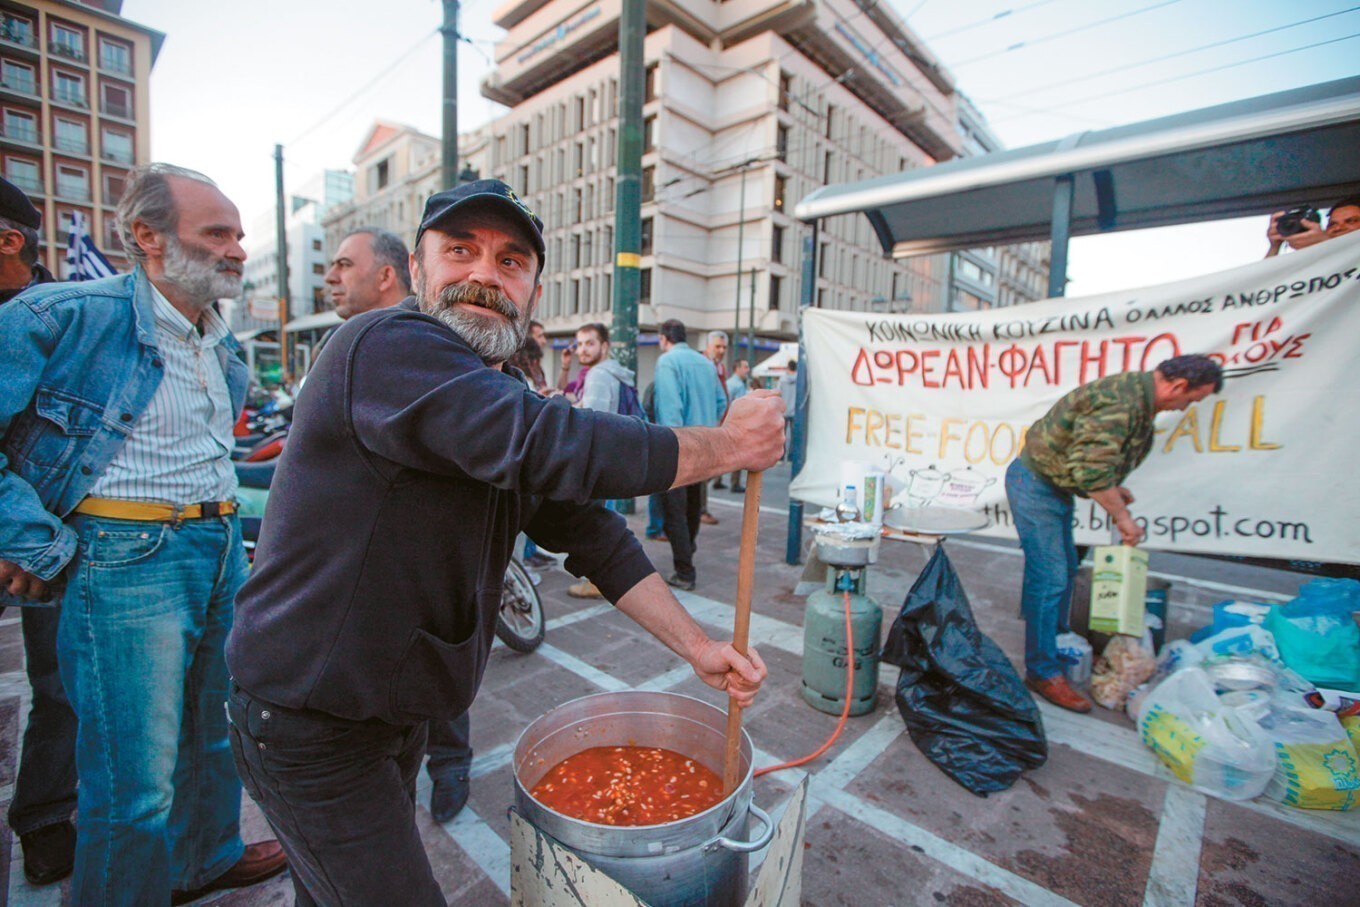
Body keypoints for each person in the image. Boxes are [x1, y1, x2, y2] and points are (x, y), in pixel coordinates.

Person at [224, 179, 780, 905]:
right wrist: (728, 445)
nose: (486, 273)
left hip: (390, 717)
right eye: (461, 250)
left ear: (533, 294)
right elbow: (550, 445)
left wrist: (699, 648)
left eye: (511, 261)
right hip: (307, 723)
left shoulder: (497, 387)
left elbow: (591, 534)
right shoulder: (383, 344)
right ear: (418, 273)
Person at [0, 163, 285, 905]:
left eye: (240, 234)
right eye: (217, 232)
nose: (238, 249)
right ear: (146, 237)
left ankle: (205, 859)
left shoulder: (221, 343)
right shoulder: (61, 314)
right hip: (125, 563)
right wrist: (29, 537)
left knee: (212, 736)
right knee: (133, 785)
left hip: (216, 549)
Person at [325, 225, 477, 824]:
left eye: (343, 264)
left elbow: (541, 449)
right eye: (459, 254)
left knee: (440, 653)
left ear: (390, 274)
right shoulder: (365, 342)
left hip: (428, 584)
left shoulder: (410, 345)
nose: (331, 277)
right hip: (358, 618)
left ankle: (452, 764)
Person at [1006, 355, 1223, 713]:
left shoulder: (1138, 397)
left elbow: (1094, 457)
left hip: (1052, 484)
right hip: (1035, 484)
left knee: (1059, 571)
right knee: (1052, 576)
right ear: (1178, 386)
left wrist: (1114, 487)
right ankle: (1042, 671)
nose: (1187, 407)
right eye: (1191, 400)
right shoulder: (1122, 402)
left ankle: (1050, 638)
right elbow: (1090, 471)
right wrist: (1123, 518)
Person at [0, 176, 77, 887]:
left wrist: (29, 541)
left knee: (59, 686)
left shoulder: (55, 315)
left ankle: (49, 816)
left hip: (40, 541)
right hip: (30, 538)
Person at [653, 319, 730, 592]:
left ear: (664, 339)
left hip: (680, 446)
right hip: (706, 445)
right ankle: (689, 550)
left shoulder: (668, 362)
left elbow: (671, 411)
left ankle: (684, 570)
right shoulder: (706, 364)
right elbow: (723, 403)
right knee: (694, 504)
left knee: (674, 510)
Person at [698, 331, 730, 524]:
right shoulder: (703, 365)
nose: (721, 351)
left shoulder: (720, 368)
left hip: (716, 425)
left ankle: (699, 506)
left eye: (724, 347)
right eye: (717, 346)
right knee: (705, 470)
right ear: (708, 346)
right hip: (704, 426)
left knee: (713, 469)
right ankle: (701, 508)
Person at [1264, 197, 1360, 257]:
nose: (1339, 228)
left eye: (1351, 221)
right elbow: (1264, 285)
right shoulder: (1316, 257)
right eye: (1332, 224)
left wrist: (1325, 245)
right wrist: (1274, 247)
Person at [714, 357, 752, 494]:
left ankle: (716, 480)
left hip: (727, 423)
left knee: (722, 453)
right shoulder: (737, 385)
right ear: (737, 368)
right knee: (738, 453)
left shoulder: (731, 383)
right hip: (735, 424)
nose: (748, 370)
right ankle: (734, 483)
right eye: (745, 367)